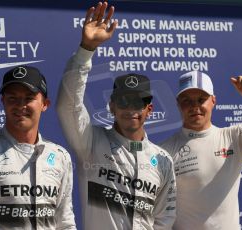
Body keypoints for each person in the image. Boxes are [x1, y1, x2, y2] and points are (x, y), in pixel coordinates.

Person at [56, 2, 176, 230]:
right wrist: (85, 50)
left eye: (138, 102)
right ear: (111, 106)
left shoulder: (163, 160)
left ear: (149, 109)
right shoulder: (90, 143)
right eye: (123, 101)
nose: (131, 108)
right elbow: (68, 106)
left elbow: (164, 220)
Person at [160, 70, 242, 230]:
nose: (195, 106)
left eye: (201, 99)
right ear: (178, 104)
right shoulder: (164, 151)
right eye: (187, 101)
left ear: (213, 101)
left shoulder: (233, 138)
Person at [0, 65, 77, 229]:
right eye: (12, 98)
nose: (20, 105)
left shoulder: (60, 156)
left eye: (29, 98)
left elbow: (65, 222)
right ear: (3, 101)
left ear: (45, 104)